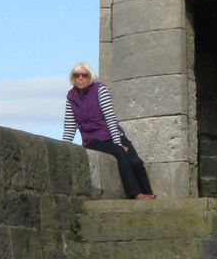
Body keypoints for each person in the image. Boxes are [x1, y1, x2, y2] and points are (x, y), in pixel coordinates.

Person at [62, 62, 155, 200]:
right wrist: (64, 146)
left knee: (136, 161)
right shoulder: (71, 97)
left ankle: (148, 193)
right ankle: (135, 193)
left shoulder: (100, 90)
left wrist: (117, 142)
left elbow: (110, 118)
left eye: (84, 75)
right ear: (73, 78)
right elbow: (70, 125)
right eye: (77, 75)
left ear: (90, 77)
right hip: (93, 139)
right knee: (119, 152)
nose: (81, 78)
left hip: (112, 134)